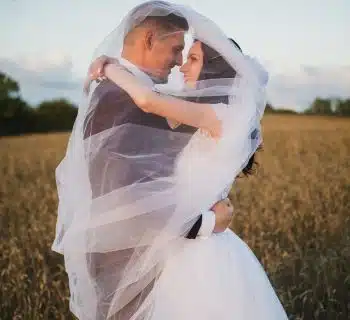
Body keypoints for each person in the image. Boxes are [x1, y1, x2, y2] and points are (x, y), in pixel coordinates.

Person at [53, 1, 287, 319]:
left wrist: (110, 66)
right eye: (179, 51)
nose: (180, 64)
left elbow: (149, 101)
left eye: (190, 57)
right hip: (178, 242)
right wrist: (203, 222)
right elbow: (124, 184)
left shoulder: (207, 114)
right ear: (150, 40)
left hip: (191, 251)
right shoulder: (143, 102)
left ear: (213, 70)